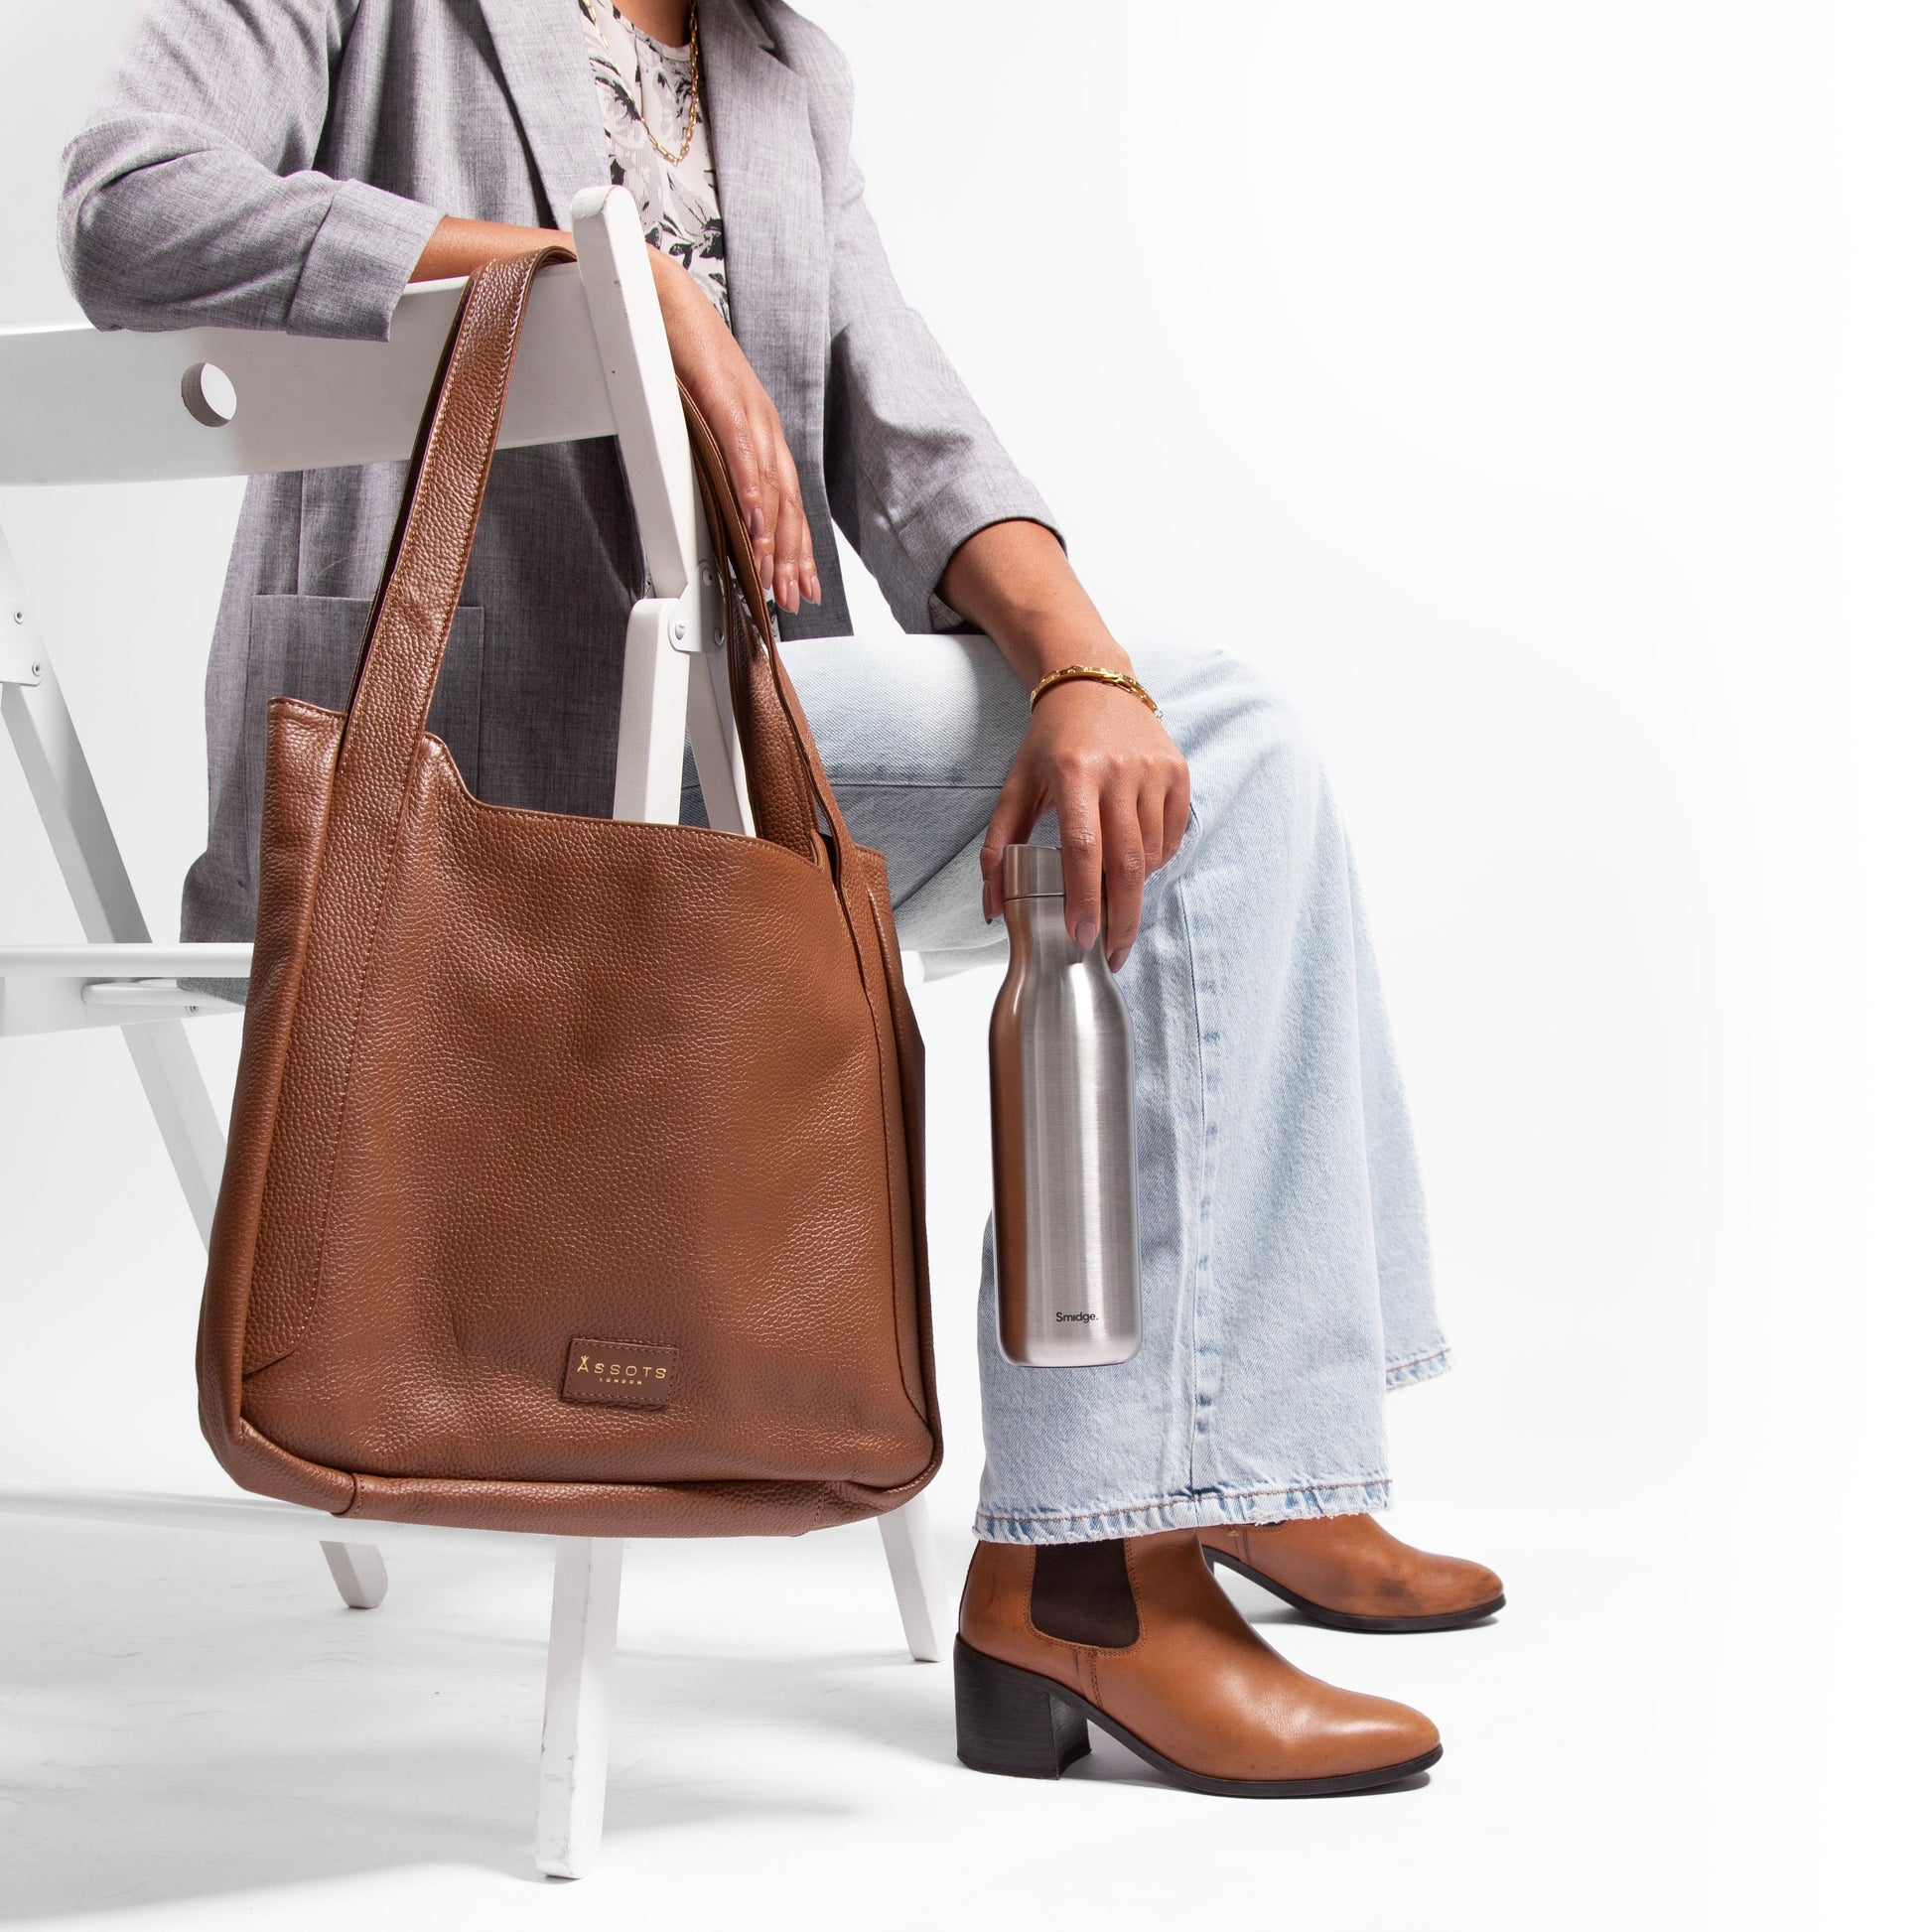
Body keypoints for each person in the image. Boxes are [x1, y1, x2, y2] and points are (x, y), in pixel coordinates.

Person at [60, 0, 1503, 1797]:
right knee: (1239, 764)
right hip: (448, 763)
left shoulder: (780, 72)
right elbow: (127, 207)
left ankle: (1249, 1457)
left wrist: (1083, 671)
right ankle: (1102, 1563)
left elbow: (910, 438)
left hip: (717, 729)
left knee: (1196, 746)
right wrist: (600, 284)